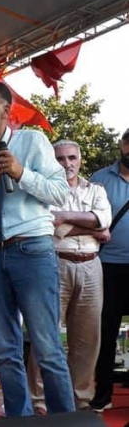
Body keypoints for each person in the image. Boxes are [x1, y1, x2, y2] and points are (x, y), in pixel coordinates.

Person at [0, 80, 74, 417]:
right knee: (5, 352)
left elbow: (60, 193)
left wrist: (21, 173)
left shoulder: (32, 141)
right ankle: (19, 420)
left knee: (47, 346)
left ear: (6, 111)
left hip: (32, 250)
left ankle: (65, 422)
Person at [26, 140, 111, 413]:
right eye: (61, 158)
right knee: (45, 335)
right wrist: (91, 226)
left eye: (72, 157)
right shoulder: (45, 191)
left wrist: (65, 217)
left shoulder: (96, 189)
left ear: (80, 159)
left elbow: (104, 221)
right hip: (55, 263)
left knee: (87, 339)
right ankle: (39, 401)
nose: (67, 163)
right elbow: (50, 226)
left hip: (91, 265)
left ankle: (81, 399)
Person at [90, 129, 129, 413]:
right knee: (105, 331)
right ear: (121, 145)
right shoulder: (100, 179)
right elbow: (88, 217)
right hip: (108, 266)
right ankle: (102, 394)